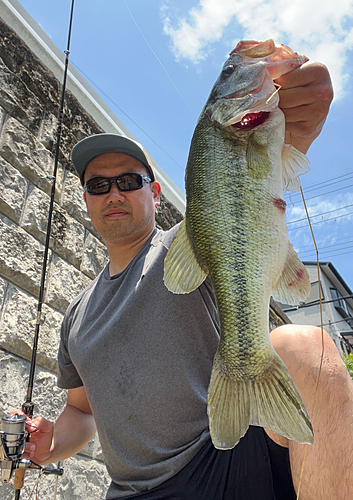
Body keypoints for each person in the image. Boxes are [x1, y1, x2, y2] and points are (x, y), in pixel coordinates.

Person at [17, 60, 353, 500]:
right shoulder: (75, 317)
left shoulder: (194, 238)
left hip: (223, 457)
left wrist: (297, 120)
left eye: (128, 180)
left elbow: (246, 180)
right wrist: (50, 444)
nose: (113, 193)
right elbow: (81, 411)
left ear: (154, 194)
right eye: (98, 185)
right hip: (130, 492)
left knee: (309, 349)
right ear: (86, 202)